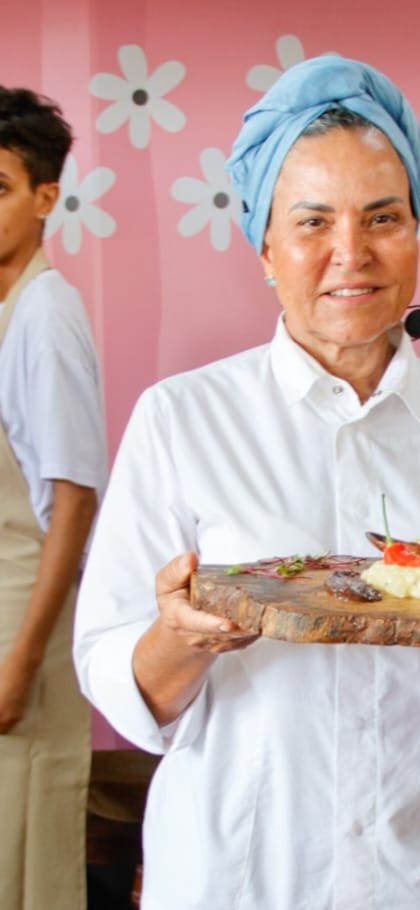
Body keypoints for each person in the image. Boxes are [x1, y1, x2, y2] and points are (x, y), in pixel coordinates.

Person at [74, 56, 420, 910]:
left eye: (383, 217)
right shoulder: (182, 420)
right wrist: (182, 637)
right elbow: (113, 670)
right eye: (312, 220)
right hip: (248, 875)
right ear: (265, 248)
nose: (349, 253)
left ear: (419, 233)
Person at [0, 87, 107, 910]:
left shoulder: (46, 313)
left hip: (18, 623)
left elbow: (74, 500)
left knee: (24, 861)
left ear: (46, 198)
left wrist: (24, 660)